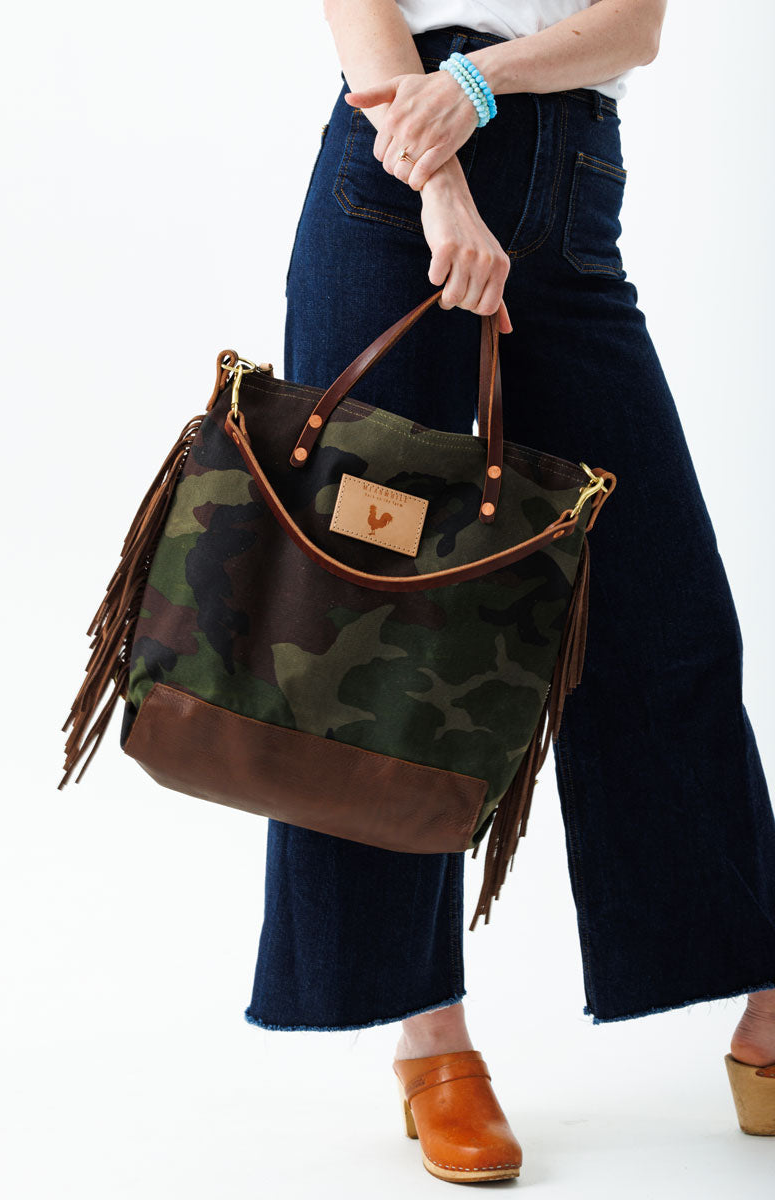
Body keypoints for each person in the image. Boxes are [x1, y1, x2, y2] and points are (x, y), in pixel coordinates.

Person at [244, 0, 775, 1178]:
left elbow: (632, 28)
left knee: (660, 610)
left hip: (570, 193)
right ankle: (428, 1037)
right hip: (393, 186)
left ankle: (760, 999)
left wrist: (484, 84)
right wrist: (438, 176)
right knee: (376, 640)